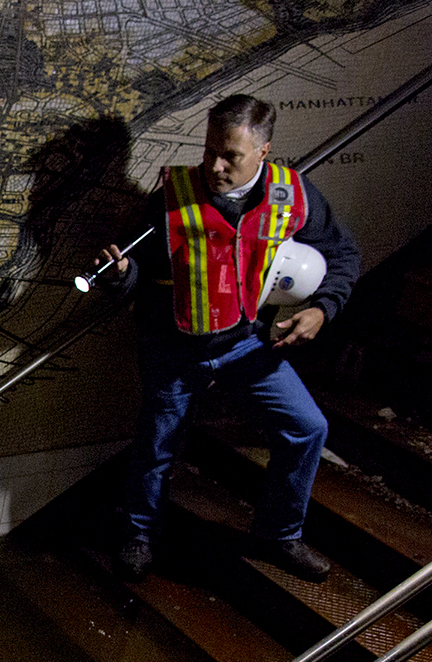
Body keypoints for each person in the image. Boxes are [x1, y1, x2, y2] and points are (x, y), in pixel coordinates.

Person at [99, 94, 360, 583]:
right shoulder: (172, 196)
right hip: (175, 344)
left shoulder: (295, 195)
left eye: (231, 156)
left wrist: (321, 310)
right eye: (209, 151)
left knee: (308, 428)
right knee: (158, 444)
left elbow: (344, 255)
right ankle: (139, 535)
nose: (215, 166)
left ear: (263, 152)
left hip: (248, 345)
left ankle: (279, 535)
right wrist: (121, 275)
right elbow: (141, 277)